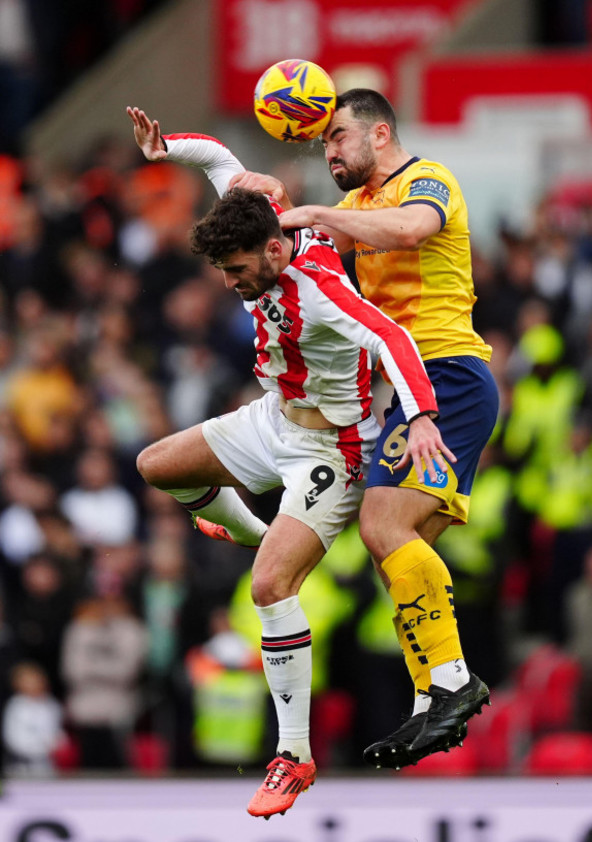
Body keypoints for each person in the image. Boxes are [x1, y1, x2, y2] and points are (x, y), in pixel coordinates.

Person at [127, 106, 452, 818]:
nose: (232, 285)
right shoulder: (257, 223)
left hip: (330, 449)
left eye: (239, 273)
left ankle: (295, 755)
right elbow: (219, 162)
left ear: (275, 252)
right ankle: (246, 525)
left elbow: (392, 338)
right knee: (157, 465)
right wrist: (165, 149)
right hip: (271, 416)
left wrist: (422, 414)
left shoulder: (321, 289)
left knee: (270, 587)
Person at [231, 88, 498, 769]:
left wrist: (318, 210)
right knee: (397, 551)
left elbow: (409, 230)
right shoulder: (350, 210)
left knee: (384, 527)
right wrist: (257, 193)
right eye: (323, 143)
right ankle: (432, 698)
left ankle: (453, 685)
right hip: (413, 387)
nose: (330, 152)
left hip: (447, 377)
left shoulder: (426, 180)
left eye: (339, 138)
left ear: (380, 134)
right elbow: (286, 247)